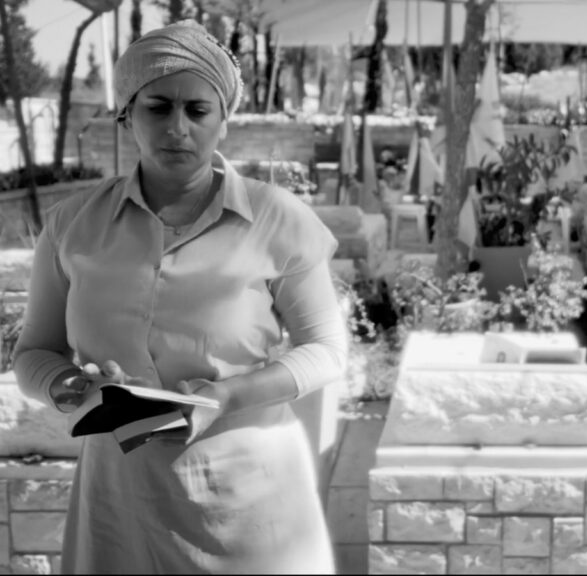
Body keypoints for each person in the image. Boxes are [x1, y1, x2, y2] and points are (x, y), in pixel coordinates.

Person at [13, 21, 346, 574]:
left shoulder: (278, 220)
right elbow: (32, 354)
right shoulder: (71, 226)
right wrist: (67, 385)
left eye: (197, 111)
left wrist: (228, 395)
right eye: (158, 107)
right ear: (127, 114)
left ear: (223, 121)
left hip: (254, 507)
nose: (177, 128)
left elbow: (326, 350)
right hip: (119, 501)